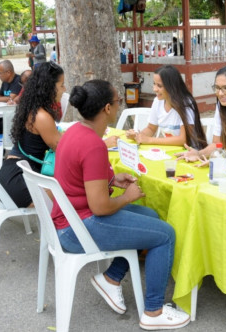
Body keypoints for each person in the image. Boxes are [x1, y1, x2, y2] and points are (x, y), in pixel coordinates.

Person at [51, 79, 190, 330]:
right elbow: (100, 208)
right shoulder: (94, 145)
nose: (118, 106)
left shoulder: (74, 131)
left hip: (69, 219)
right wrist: (127, 196)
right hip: (78, 228)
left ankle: (112, 278)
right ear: (106, 108)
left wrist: (112, 179)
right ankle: (154, 312)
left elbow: (81, 178)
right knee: (166, 235)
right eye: (117, 102)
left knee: (151, 215)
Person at [0, 62, 65, 208]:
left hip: (10, 174)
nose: (64, 90)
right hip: (19, 182)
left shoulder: (31, 109)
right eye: (61, 85)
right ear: (50, 88)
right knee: (74, 188)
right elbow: (65, 151)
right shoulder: (41, 116)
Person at [126, 65, 207, 148]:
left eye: (159, 86)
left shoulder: (185, 104)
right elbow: (151, 128)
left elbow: (183, 139)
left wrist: (150, 140)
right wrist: (139, 136)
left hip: (191, 153)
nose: (154, 89)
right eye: (154, 84)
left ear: (171, 86)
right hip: (170, 152)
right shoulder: (157, 101)